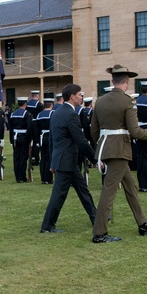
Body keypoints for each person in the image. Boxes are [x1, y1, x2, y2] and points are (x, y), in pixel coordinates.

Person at [90, 65, 147, 243]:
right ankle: (99, 233)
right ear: (127, 82)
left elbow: (94, 130)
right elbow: (135, 131)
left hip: (106, 147)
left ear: (112, 81)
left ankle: (142, 222)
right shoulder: (127, 101)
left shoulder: (100, 101)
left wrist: (101, 150)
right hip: (120, 150)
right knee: (109, 191)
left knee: (130, 186)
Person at [41, 84, 97, 233]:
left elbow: (52, 140)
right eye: (79, 94)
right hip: (67, 161)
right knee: (58, 195)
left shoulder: (56, 113)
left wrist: (53, 161)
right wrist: (95, 159)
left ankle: (96, 217)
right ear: (72, 97)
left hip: (65, 160)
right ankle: (47, 226)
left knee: (83, 191)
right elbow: (81, 140)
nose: (81, 97)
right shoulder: (71, 114)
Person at [9, 97, 34, 182]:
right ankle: (22, 177)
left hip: (15, 137)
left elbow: (10, 128)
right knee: (23, 157)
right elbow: (29, 127)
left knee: (16, 157)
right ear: (25, 104)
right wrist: (29, 139)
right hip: (23, 137)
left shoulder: (13, 114)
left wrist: (11, 140)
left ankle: (17, 177)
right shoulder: (27, 114)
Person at [35, 97, 54, 184]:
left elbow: (36, 128)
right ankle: (48, 178)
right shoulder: (53, 113)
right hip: (50, 136)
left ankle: (43, 177)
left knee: (43, 157)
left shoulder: (39, 115)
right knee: (49, 157)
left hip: (41, 137)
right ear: (51, 105)